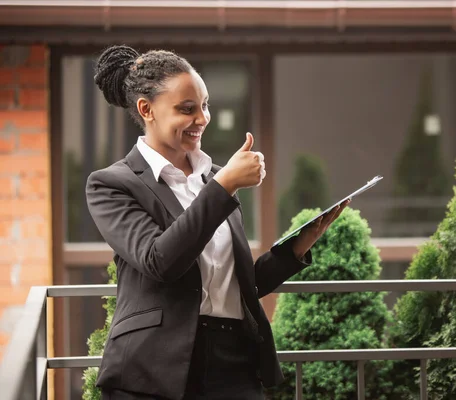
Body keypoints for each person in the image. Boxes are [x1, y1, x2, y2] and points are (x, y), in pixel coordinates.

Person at [86, 45, 348, 400]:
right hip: (153, 371)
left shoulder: (215, 180)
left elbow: (236, 284)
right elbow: (159, 261)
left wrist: (297, 248)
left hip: (233, 362)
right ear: (146, 109)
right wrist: (224, 186)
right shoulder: (112, 184)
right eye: (187, 109)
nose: (202, 118)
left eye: (205, 105)